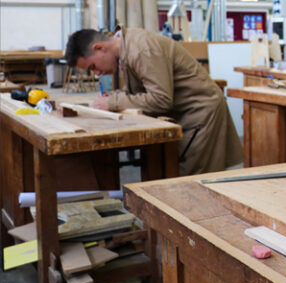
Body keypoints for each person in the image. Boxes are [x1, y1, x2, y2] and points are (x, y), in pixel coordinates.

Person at [65, 28, 244, 176]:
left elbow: (161, 99)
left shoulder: (141, 50)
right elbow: (142, 91)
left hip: (200, 113)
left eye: (93, 67)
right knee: (175, 178)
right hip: (185, 113)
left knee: (195, 182)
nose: (96, 73)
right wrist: (114, 97)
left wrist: (114, 102)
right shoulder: (127, 49)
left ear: (99, 48)